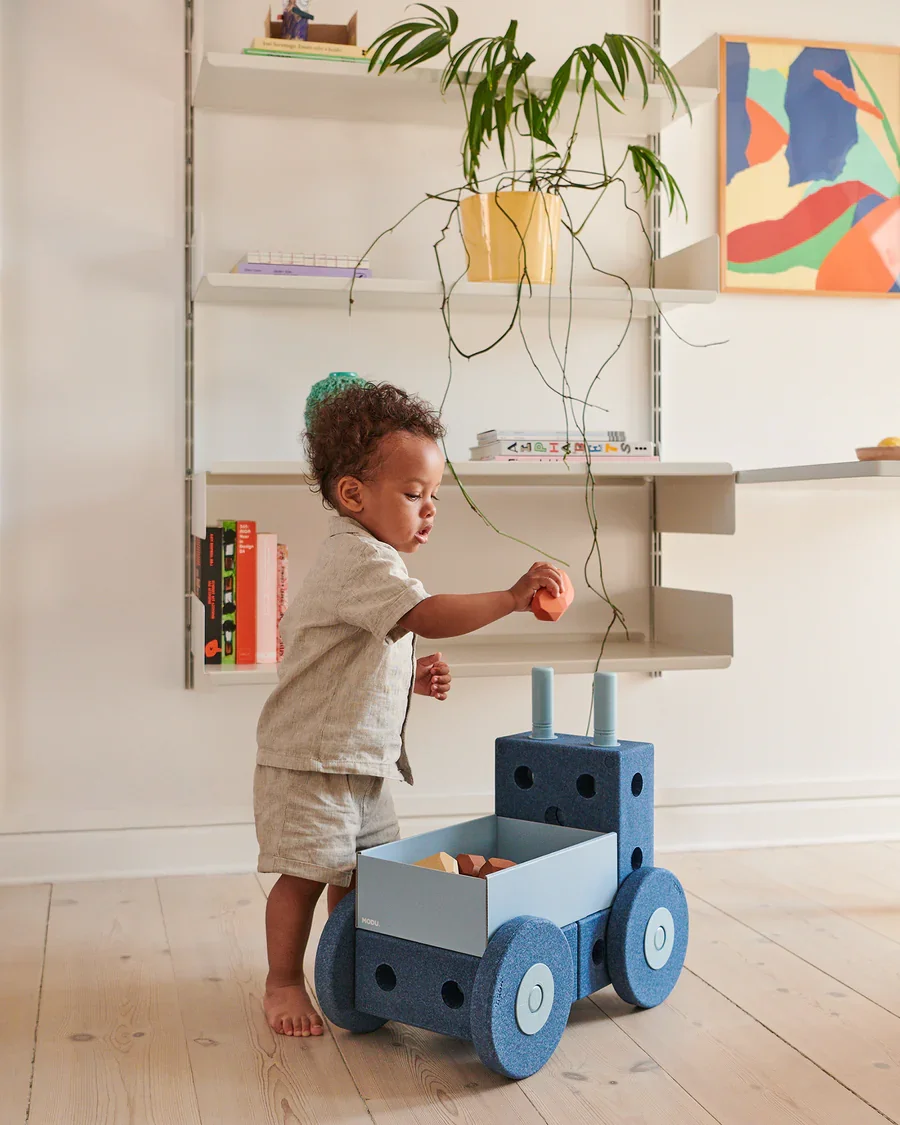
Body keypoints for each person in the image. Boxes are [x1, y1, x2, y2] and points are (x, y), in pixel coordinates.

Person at [254, 374, 565, 1036]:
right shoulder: (359, 559)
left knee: (368, 880)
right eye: (414, 493)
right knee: (305, 877)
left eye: (435, 497)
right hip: (312, 766)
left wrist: (410, 676)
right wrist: (511, 598)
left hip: (362, 767)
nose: (429, 509)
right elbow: (423, 613)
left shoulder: (377, 564)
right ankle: (283, 981)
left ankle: (353, 971)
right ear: (353, 494)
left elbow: (366, 648)